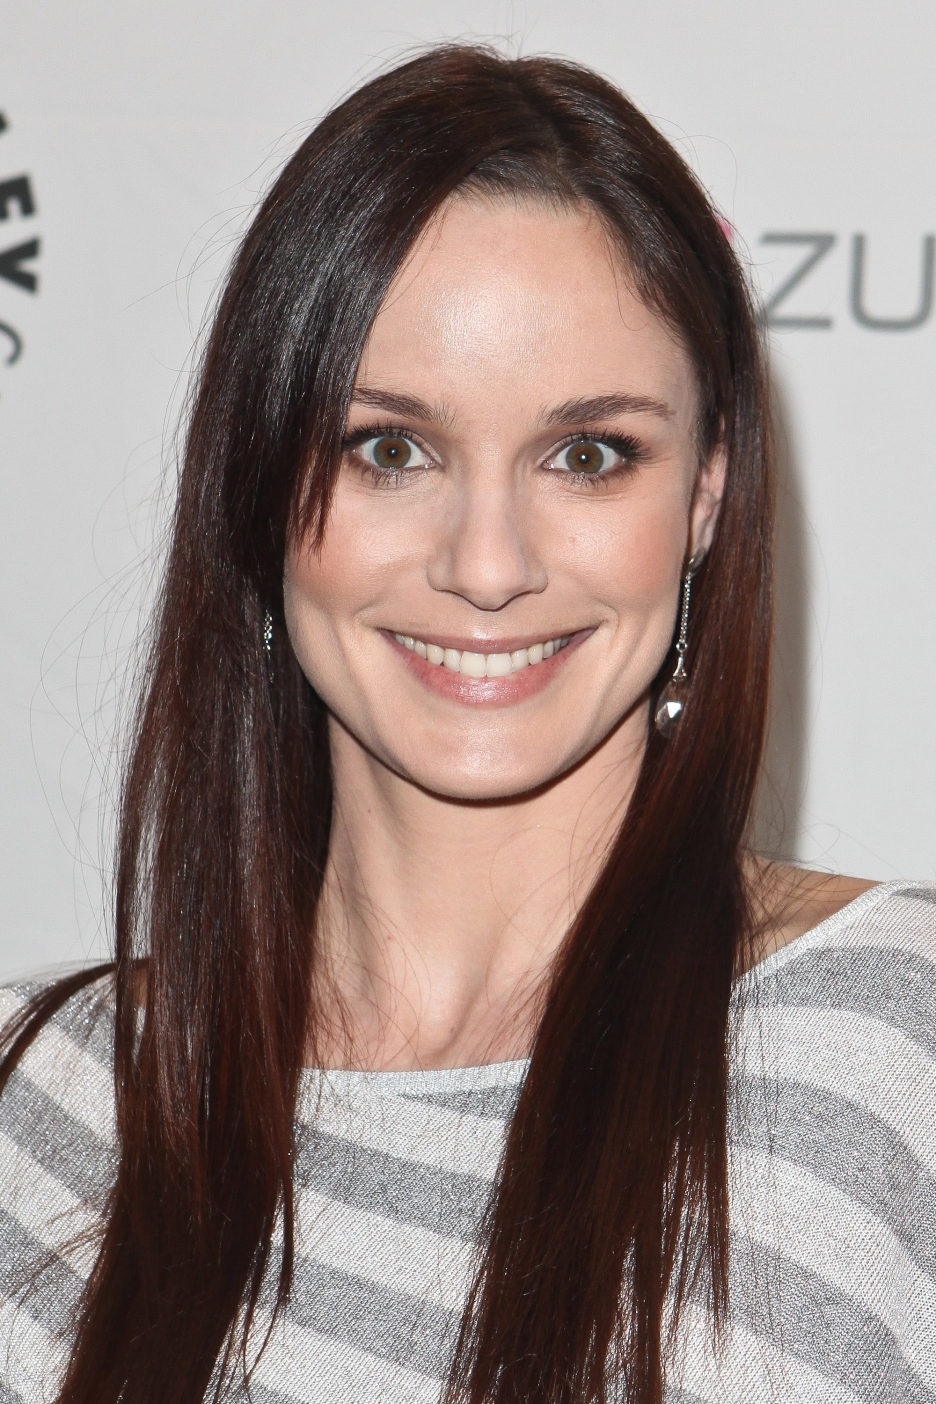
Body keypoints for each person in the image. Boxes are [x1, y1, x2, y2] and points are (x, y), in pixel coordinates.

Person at [1, 43, 934, 1404]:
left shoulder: (893, 1052)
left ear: (707, 498)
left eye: (588, 455)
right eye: (390, 449)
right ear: (261, 484)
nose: (487, 565)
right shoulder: (45, 1096)